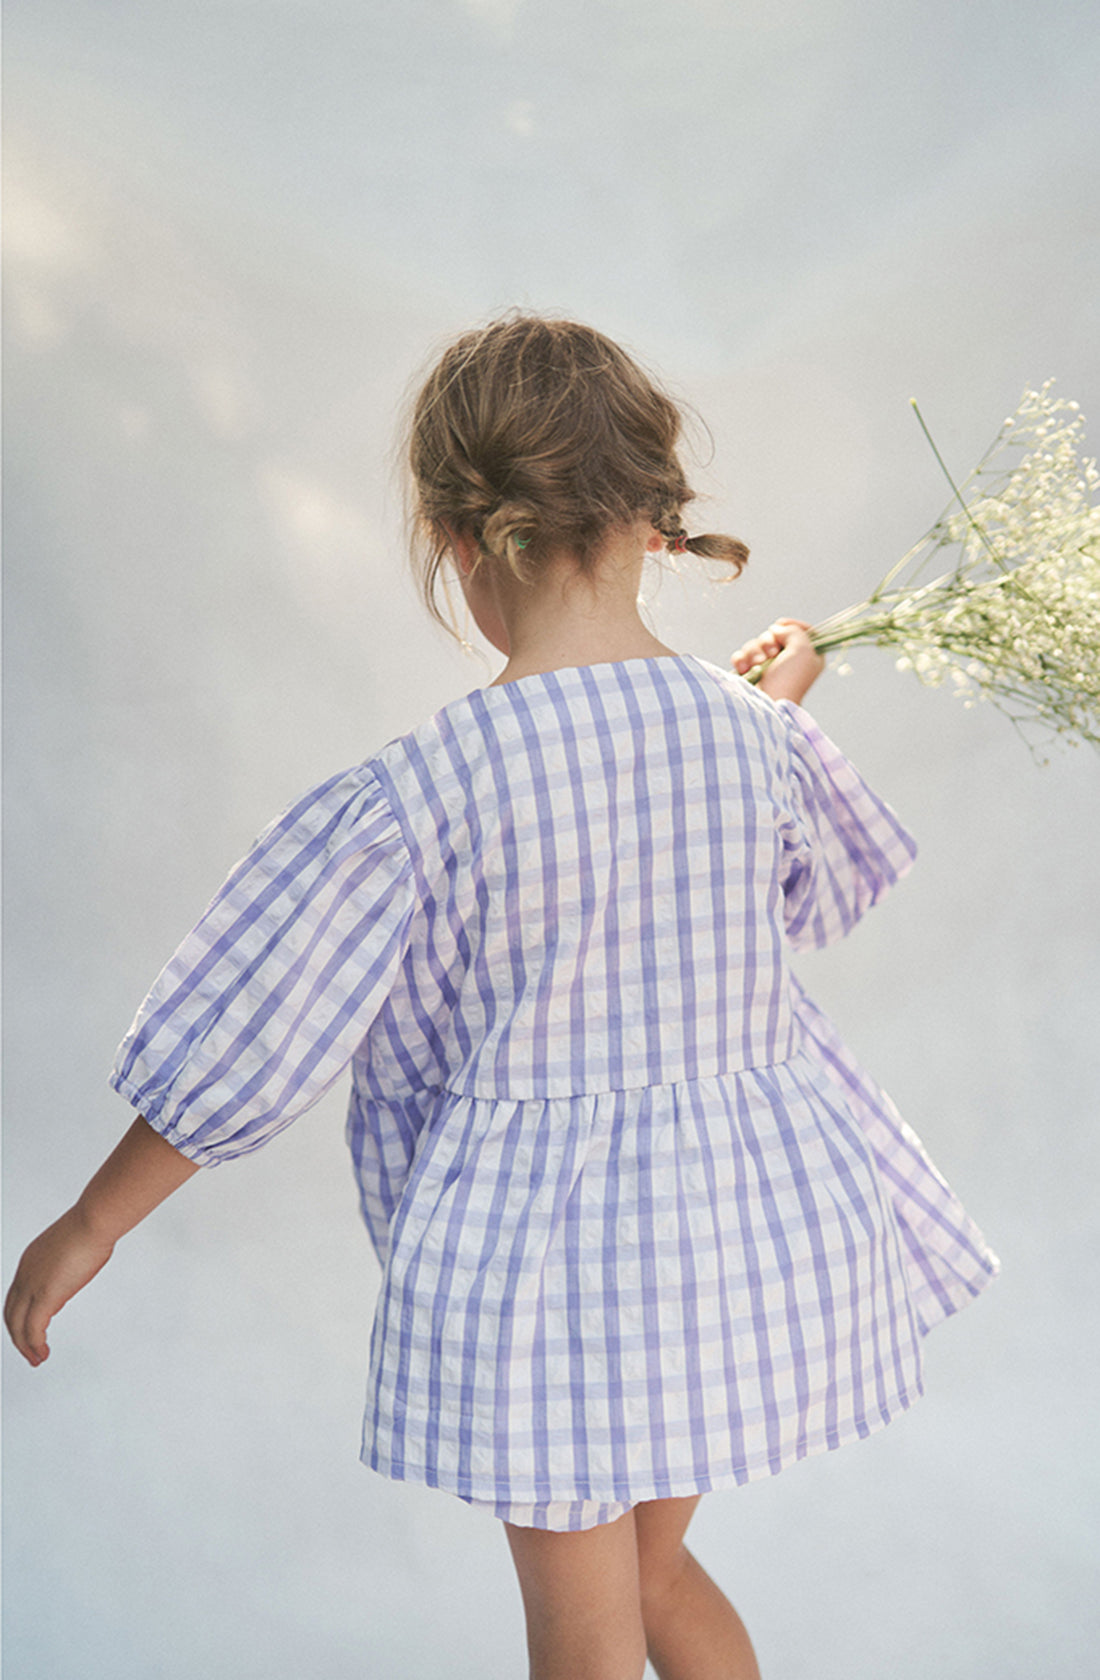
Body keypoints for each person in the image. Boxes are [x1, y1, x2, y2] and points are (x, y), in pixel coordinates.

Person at [5, 314, 1000, 1680]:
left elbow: (263, 1030)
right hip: (731, 1242)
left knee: (581, 1645)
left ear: (463, 545)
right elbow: (773, 900)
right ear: (653, 525)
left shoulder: (435, 786)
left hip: (560, 1279)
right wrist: (777, 710)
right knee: (656, 1575)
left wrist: (90, 1220)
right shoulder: (753, 739)